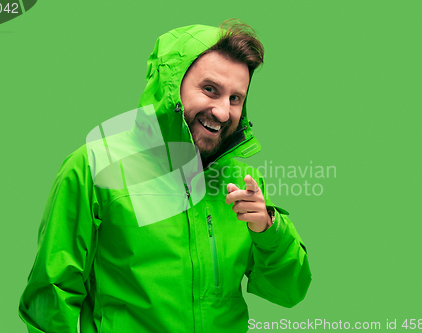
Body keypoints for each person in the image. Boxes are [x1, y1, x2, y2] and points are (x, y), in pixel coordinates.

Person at [19, 19, 312, 333]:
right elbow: (51, 294)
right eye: (210, 89)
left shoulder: (243, 183)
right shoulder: (94, 166)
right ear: (172, 84)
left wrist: (267, 227)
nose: (223, 112)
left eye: (235, 98)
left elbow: (288, 291)